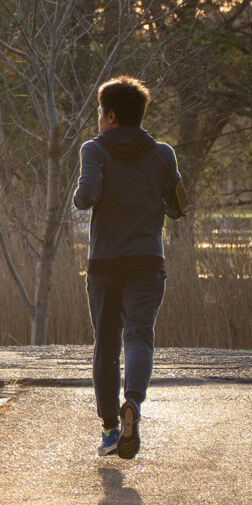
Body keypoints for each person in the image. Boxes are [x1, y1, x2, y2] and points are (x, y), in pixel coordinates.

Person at [73, 76, 186, 459]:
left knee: (106, 346)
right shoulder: (163, 153)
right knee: (139, 335)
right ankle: (133, 404)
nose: (99, 120)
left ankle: (109, 429)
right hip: (147, 262)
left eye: (101, 113)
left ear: (112, 115)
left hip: (105, 264)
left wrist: (87, 191)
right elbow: (177, 205)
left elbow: (85, 197)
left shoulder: (95, 149)